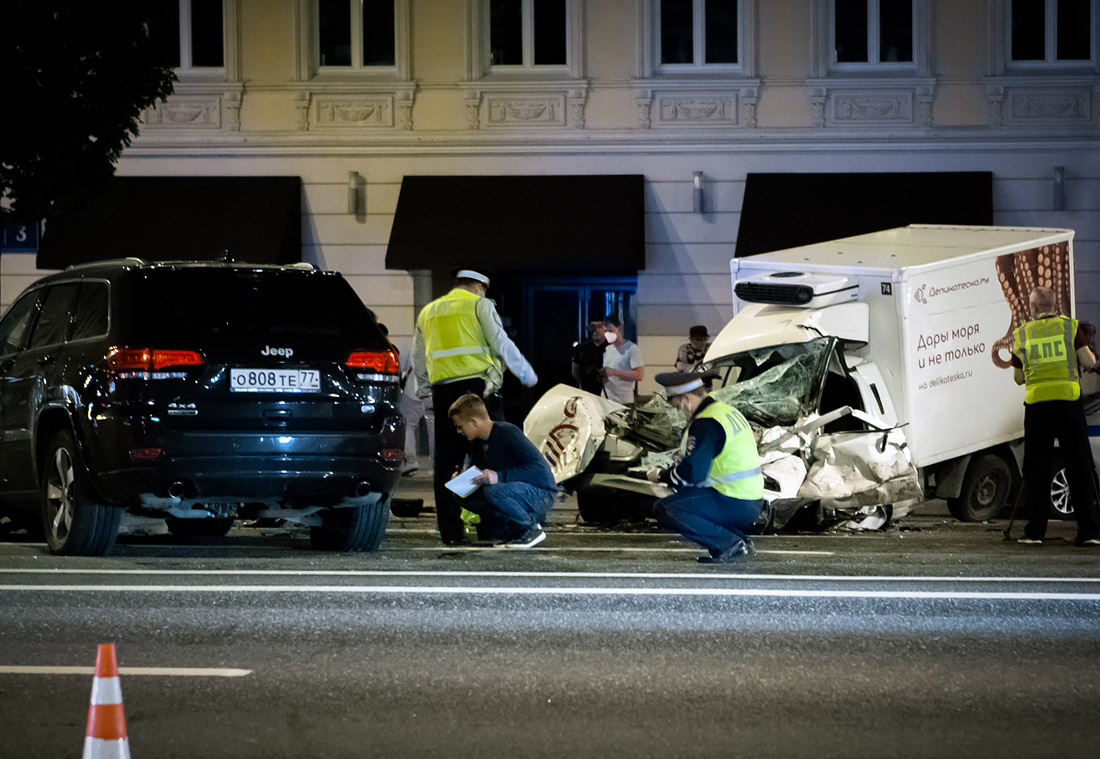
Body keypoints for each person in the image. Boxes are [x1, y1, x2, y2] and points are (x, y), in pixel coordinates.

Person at [413, 266, 539, 545]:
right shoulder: (479, 305)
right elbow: (500, 342)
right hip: (477, 392)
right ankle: (492, 527)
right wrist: (527, 374)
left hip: (443, 392)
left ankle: (451, 532)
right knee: (490, 458)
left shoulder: (429, 311)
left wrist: (425, 393)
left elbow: (418, 359)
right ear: (479, 287)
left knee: (446, 462)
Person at [1011, 286, 1100, 547]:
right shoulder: (1070, 328)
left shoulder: (1023, 334)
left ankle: (1035, 532)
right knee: (1080, 466)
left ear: (1033, 308)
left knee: (1037, 468)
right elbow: (1089, 361)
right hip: (1069, 406)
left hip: (1038, 408)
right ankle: (1089, 532)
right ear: (1055, 306)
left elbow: (1018, 379)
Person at [648, 371, 767, 563]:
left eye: (677, 405)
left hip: (733, 499)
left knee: (667, 508)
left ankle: (729, 544)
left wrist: (661, 476)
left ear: (686, 398)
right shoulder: (725, 412)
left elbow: (694, 474)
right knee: (689, 498)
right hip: (751, 500)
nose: (679, 412)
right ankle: (739, 538)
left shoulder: (706, 422)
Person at [448, 393, 557, 548]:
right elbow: (479, 472)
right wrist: (462, 478)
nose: (459, 431)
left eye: (460, 426)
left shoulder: (508, 433)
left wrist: (499, 476)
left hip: (540, 493)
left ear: (473, 422)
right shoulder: (477, 443)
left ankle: (530, 529)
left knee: (494, 491)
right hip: (513, 491)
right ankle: (513, 530)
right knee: (462, 494)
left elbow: (540, 470)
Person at [399, 351, 434, 476]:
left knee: (408, 425)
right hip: (433, 387)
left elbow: (402, 366)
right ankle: (435, 465)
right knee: (434, 427)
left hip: (413, 389)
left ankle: (411, 462)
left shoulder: (415, 342)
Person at [600, 315, 644, 404]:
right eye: (605, 331)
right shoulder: (608, 350)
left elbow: (639, 375)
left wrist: (614, 372)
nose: (608, 334)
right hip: (607, 399)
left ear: (619, 329)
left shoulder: (632, 349)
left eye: (610, 331)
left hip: (623, 401)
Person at [571, 316, 607, 394]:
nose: (596, 330)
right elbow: (575, 371)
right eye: (593, 327)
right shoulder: (582, 348)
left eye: (600, 327)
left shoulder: (611, 348)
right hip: (587, 390)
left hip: (608, 391)